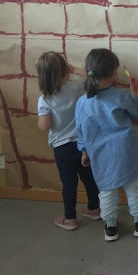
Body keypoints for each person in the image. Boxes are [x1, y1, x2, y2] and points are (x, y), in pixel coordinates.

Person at [75, 48, 138, 242]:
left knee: (106, 191)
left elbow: (80, 130)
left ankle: (110, 227)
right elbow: (137, 112)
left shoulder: (82, 102)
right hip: (126, 151)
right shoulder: (120, 96)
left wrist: (84, 151)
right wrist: (135, 93)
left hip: (99, 154)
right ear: (114, 72)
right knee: (135, 188)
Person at [36, 51, 100, 230]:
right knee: (89, 178)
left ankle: (70, 218)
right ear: (66, 70)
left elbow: (44, 126)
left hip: (62, 147)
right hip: (84, 143)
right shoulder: (77, 86)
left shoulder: (45, 99)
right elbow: (95, 79)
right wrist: (75, 70)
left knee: (69, 183)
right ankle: (94, 208)